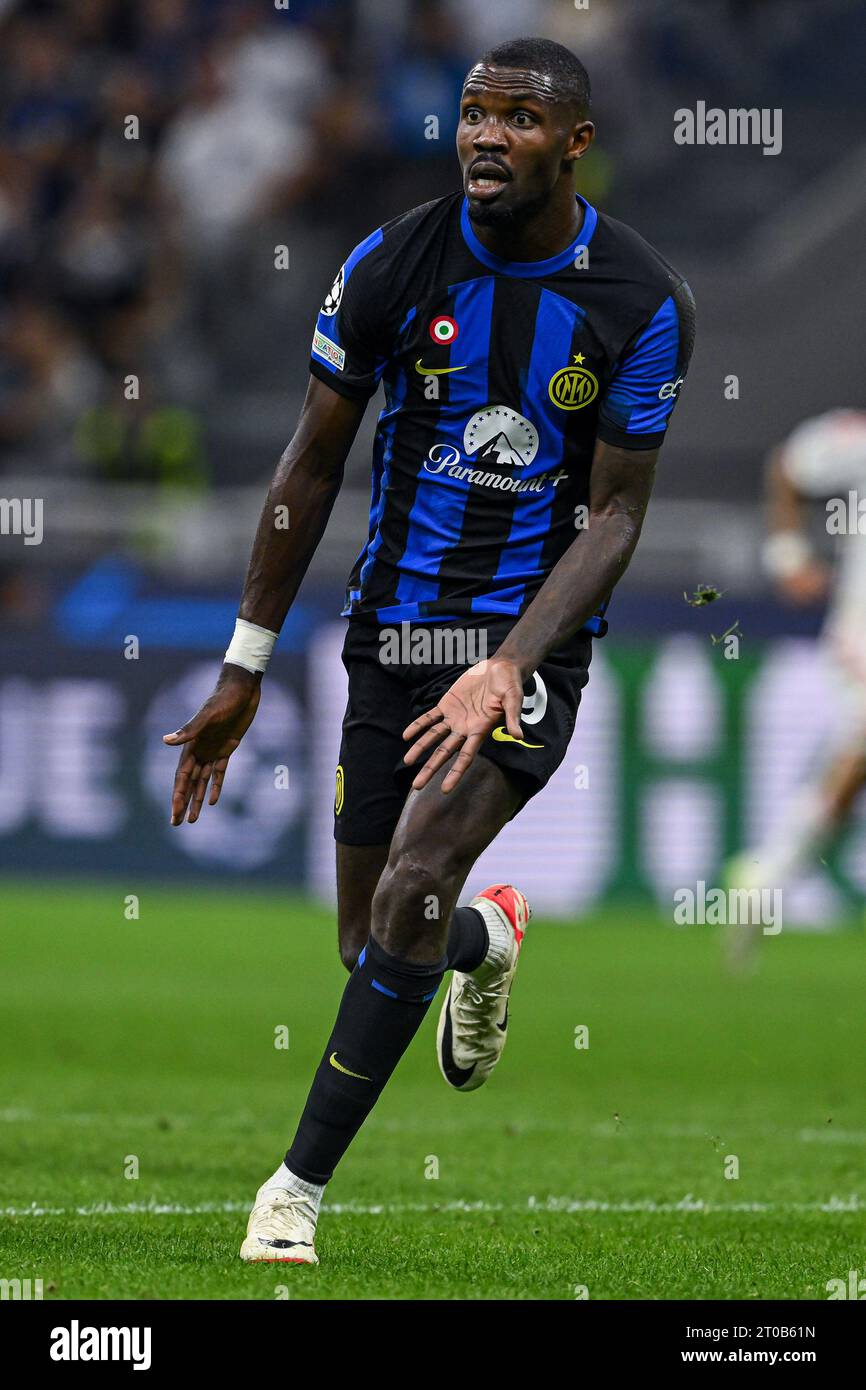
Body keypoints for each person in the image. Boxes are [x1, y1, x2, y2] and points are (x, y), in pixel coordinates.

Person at [163, 36, 695, 1265]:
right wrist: (244, 662)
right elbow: (308, 466)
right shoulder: (390, 262)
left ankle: (293, 1190)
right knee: (371, 940)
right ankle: (482, 939)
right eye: (471, 113)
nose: (484, 136)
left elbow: (613, 516)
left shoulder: (638, 301)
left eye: (517, 118)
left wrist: (510, 660)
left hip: (520, 653)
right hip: (392, 639)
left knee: (410, 880)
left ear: (573, 142)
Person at [726, 408, 866, 960]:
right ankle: (764, 880)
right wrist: (787, 556)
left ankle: (764, 879)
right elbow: (788, 466)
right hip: (862, 636)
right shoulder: (856, 440)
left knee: (849, 774)